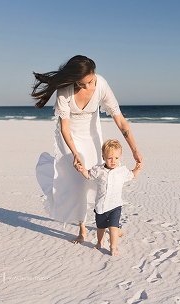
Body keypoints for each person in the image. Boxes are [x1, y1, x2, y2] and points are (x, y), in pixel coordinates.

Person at [32, 55, 143, 244]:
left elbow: (120, 119)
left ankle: (111, 223)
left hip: (92, 136)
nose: (87, 87)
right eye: (81, 84)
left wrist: (134, 149)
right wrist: (75, 154)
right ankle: (82, 227)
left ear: (93, 73)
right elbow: (65, 128)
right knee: (77, 182)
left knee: (100, 177)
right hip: (70, 139)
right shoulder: (64, 91)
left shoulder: (101, 85)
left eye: (90, 81)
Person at [78, 139, 142, 256]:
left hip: (115, 206)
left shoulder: (122, 171)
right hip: (101, 206)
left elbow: (133, 175)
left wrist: (138, 168)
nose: (113, 161)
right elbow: (89, 175)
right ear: (103, 157)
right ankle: (99, 243)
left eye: (116, 158)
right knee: (100, 228)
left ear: (120, 157)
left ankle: (113, 247)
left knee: (113, 228)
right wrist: (82, 170)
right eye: (110, 158)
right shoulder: (99, 170)